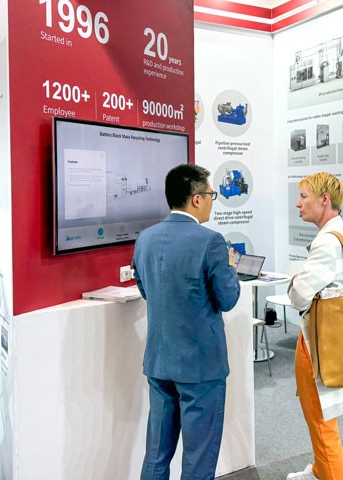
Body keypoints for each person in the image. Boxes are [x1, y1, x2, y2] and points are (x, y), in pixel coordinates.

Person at [133, 164, 240, 480]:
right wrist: (231, 267)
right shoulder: (211, 242)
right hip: (200, 366)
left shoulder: (145, 238)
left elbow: (145, 289)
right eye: (210, 195)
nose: (211, 202)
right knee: (198, 458)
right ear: (196, 199)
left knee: (156, 455)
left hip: (159, 362)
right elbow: (228, 299)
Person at [286, 172, 343, 480]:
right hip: (326, 339)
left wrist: (294, 282)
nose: (298, 204)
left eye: (304, 197)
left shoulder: (327, 241)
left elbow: (299, 294)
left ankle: (328, 471)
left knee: (322, 423)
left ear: (324, 199)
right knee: (320, 416)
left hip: (319, 344)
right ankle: (320, 470)